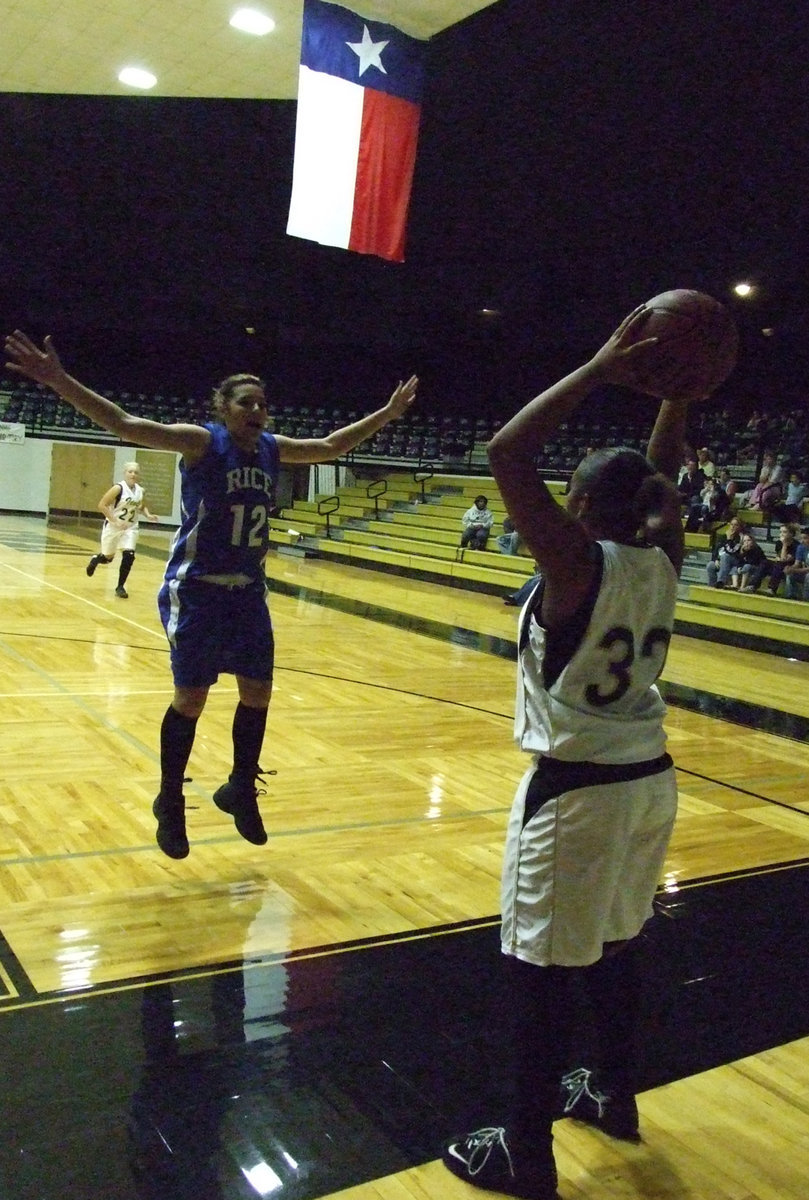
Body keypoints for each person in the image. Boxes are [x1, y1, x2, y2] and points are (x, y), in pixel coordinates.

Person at [442, 306, 691, 1200]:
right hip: (648, 786)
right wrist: (678, 392)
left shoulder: (576, 564)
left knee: (537, 979)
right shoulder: (662, 553)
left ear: (580, 509)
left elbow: (507, 452)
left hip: (577, 796)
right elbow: (654, 477)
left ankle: (526, 1153)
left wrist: (598, 365)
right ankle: (614, 1098)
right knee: (618, 949)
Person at [5, 330, 417, 859]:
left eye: (264, 403)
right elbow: (127, 424)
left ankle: (239, 787)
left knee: (259, 693)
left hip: (248, 592)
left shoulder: (272, 448)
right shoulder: (202, 442)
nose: (258, 410)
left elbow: (333, 446)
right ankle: (169, 800)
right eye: (247, 402)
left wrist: (386, 413)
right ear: (222, 408)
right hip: (195, 590)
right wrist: (59, 381)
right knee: (191, 699)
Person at [86, 461, 159, 598]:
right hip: (114, 526)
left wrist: (148, 515)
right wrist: (115, 521)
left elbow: (141, 506)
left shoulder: (140, 490)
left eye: (136, 472)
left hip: (130, 527)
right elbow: (102, 505)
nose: (133, 474)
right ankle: (96, 559)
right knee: (108, 558)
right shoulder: (118, 488)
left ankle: (120, 586)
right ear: (125, 473)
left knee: (129, 555)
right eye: (130, 471)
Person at [705, 516, 745, 587]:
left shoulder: (741, 538)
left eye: (736, 525)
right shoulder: (723, 536)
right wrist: (716, 560)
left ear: (739, 527)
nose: (733, 527)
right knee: (710, 565)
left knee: (725, 556)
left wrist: (729, 539)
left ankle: (721, 581)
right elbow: (716, 550)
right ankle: (712, 585)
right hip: (722, 560)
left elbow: (732, 552)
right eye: (731, 524)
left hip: (734, 560)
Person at [784, 527, 809, 599]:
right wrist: (790, 568)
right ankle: (791, 596)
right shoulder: (801, 547)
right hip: (805, 573)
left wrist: (794, 570)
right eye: (802, 538)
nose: (802, 541)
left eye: (805, 538)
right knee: (790, 574)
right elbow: (797, 564)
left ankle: (806, 599)